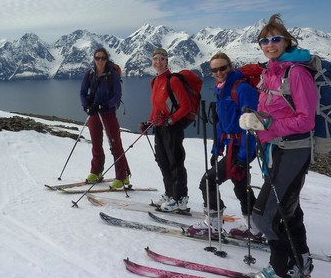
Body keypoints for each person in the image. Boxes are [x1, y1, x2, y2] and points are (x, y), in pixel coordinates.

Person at [239, 14, 316, 278]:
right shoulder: (270, 73)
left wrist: (268, 125)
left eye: (275, 39)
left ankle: (283, 270)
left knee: (264, 217)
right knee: (289, 209)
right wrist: (257, 121)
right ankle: (301, 260)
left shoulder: (296, 73)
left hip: (294, 149)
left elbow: (306, 119)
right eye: (264, 40)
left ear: (286, 41)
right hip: (276, 149)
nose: (270, 44)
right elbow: (271, 113)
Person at [187, 52, 259, 238]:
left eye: (222, 68)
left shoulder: (242, 89)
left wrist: (243, 157)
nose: (219, 72)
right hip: (232, 145)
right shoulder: (222, 89)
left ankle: (213, 225)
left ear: (230, 67)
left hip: (242, 146)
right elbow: (221, 123)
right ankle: (257, 228)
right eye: (214, 70)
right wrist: (217, 148)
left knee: (209, 181)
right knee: (241, 186)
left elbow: (252, 126)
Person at [141, 47, 192, 212]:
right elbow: (156, 107)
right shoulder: (155, 81)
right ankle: (170, 194)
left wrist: (171, 120)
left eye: (162, 58)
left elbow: (186, 106)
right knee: (163, 162)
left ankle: (180, 199)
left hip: (172, 127)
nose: (158, 61)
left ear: (167, 61)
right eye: (155, 58)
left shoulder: (173, 80)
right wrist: (149, 122)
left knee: (175, 162)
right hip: (160, 127)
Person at [80, 47, 130, 189]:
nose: (100, 61)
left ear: (107, 59)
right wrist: (86, 106)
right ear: (94, 59)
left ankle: (122, 176)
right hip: (94, 113)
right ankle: (96, 171)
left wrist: (105, 105)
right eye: (97, 58)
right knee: (96, 143)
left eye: (103, 58)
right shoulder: (89, 74)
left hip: (108, 113)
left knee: (115, 144)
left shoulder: (112, 74)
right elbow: (82, 92)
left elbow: (117, 95)